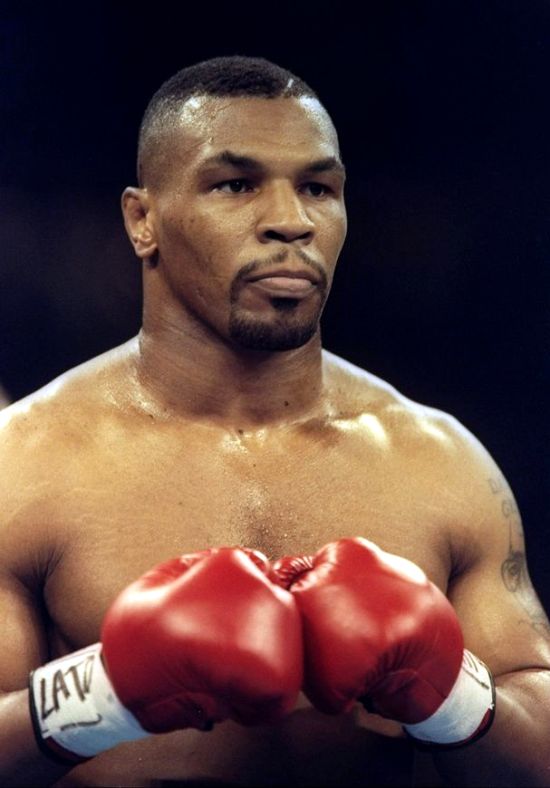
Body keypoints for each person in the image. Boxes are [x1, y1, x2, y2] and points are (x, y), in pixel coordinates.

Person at [0, 56, 548, 788]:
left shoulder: (437, 460)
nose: (291, 222)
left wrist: (452, 694)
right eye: (236, 184)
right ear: (142, 221)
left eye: (318, 188)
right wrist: (108, 692)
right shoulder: (26, 462)